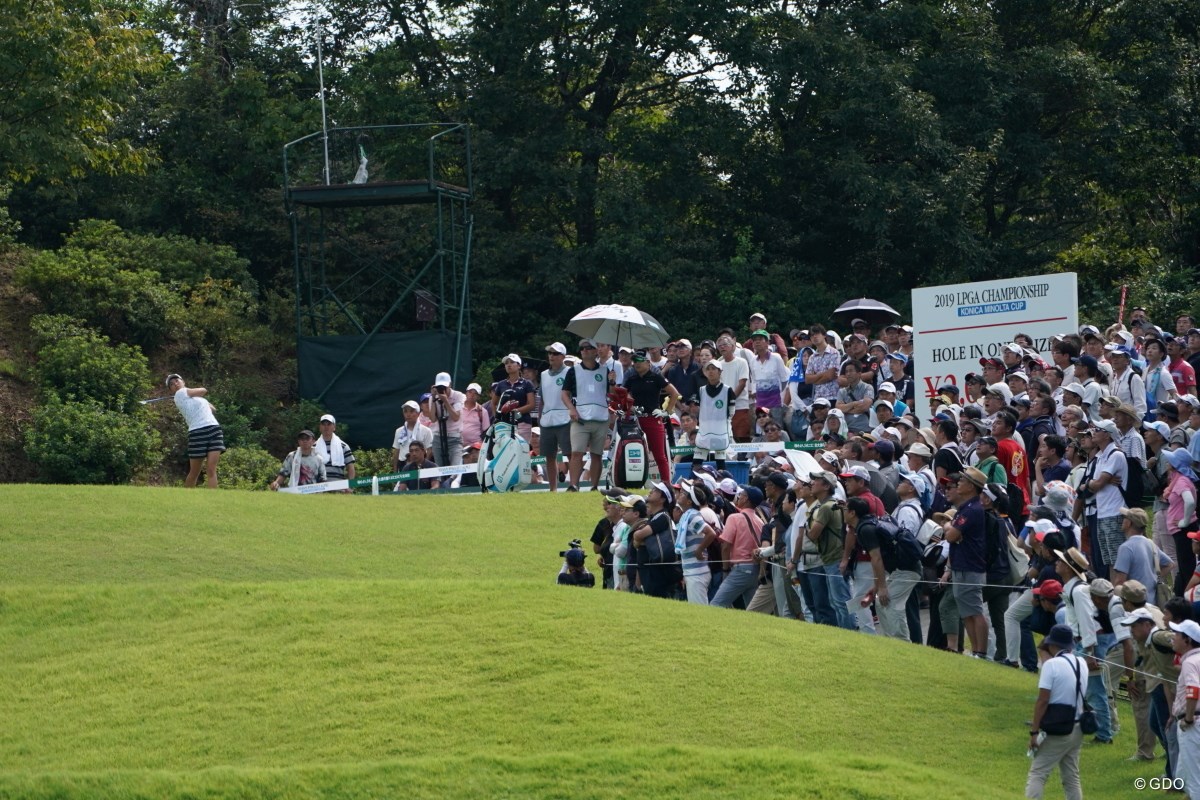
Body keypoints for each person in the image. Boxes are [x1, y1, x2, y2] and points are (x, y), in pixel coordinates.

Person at [844, 496, 921, 641]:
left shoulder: (865, 529)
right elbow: (882, 558)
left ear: (852, 513)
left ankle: (902, 643)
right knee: (881, 602)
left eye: (845, 509)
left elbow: (877, 558)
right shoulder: (866, 526)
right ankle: (889, 641)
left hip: (907, 569)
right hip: (899, 569)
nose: (843, 512)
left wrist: (882, 587)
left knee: (890, 602)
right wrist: (877, 586)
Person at [1025, 624, 1087, 800]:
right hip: (1078, 726)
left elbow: (1043, 700)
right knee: (1072, 777)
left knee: (1038, 773)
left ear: (1052, 644)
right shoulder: (1081, 663)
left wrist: (1034, 732)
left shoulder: (1051, 665)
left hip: (1058, 727)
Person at [942, 467, 992, 658]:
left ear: (971, 487)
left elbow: (951, 536)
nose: (958, 484)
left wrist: (948, 526)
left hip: (970, 566)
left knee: (975, 611)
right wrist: (951, 528)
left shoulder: (972, 509)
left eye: (962, 481)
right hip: (961, 565)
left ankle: (981, 651)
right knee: (966, 612)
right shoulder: (966, 508)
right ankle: (976, 650)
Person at [623, 349, 681, 482]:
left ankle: (666, 484)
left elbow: (674, 393)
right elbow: (623, 394)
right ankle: (638, 482)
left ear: (648, 363)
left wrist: (666, 411)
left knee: (659, 455)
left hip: (653, 419)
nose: (636, 364)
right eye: (634, 361)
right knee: (638, 454)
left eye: (639, 361)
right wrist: (629, 405)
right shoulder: (632, 378)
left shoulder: (656, 377)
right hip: (636, 420)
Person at [562, 339, 611, 491]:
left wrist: (613, 382)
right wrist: (571, 409)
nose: (584, 350)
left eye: (588, 348)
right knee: (576, 453)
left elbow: (613, 394)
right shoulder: (573, 371)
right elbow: (564, 394)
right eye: (582, 348)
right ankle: (573, 485)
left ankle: (594, 486)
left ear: (596, 351)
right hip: (580, 417)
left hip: (601, 417)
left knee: (597, 454)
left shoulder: (606, 370)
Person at [711, 484, 767, 609]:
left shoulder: (734, 518)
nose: (738, 497)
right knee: (752, 610)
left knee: (716, 605)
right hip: (755, 569)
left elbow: (725, 546)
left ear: (746, 499)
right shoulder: (760, 521)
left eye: (741, 495)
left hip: (740, 568)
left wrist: (725, 569)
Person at [165, 373, 225, 488]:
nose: (175, 384)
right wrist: (197, 397)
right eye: (171, 384)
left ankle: (214, 496)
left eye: (177, 381)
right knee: (194, 472)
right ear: (171, 390)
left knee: (211, 470)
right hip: (197, 432)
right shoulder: (180, 393)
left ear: (183, 381)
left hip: (213, 428)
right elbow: (203, 390)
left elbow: (213, 409)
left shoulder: (193, 397)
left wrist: (201, 401)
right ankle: (187, 496)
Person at [1168, 618, 1200, 799]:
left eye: (1177, 634)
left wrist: (1188, 718)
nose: (1173, 637)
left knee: (1195, 780)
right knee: (1185, 776)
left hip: (1193, 724)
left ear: (1187, 640)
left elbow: (1193, 690)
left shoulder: (1189, 662)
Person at [674, 479, 718, 604]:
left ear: (689, 501)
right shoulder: (687, 515)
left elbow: (711, 533)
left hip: (697, 573)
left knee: (699, 610)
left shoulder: (693, 516)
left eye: (683, 493)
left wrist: (699, 550)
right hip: (691, 571)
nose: (680, 494)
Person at [537, 343, 573, 492]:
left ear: (563, 356)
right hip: (547, 420)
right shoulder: (543, 374)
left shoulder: (570, 372)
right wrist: (540, 418)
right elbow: (542, 399)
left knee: (570, 454)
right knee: (549, 457)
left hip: (565, 418)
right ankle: (553, 489)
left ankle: (574, 484)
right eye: (550, 353)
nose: (551, 356)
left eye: (555, 353)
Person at [491, 353, 536, 441]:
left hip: (523, 422)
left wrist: (515, 411)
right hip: (504, 424)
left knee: (522, 448)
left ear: (519, 366)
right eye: (506, 363)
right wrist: (497, 418)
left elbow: (531, 405)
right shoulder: (501, 384)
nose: (509, 365)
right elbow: (493, 403)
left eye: (512, 362)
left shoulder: (527, 383)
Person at [428, 372, 465, 467]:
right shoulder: (433, 398)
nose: (442, 389)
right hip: (438, 437)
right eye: (439, 387)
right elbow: (433, 419)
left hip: (455, 438)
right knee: (439, 470)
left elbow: (456, 417)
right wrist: (433, 398)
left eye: (444, 387)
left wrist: (446, 401)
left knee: (455, 469)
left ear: (450, 385)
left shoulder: (458, 396)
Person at [391, 400, 434, 471]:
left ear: (418, 413)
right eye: (405, 411)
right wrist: (395, 471)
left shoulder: (426, 431)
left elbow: (429, 451)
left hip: (420, 464)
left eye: (411, 411)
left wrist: (423, 465)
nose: (408, 414)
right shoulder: (399, 431)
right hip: (403, 464)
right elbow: (397, 451)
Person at [315, 414, 355, 487]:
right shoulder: (313, 447)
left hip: (339, 487)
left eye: (329, 424)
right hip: (319, 488)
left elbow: (351, 467)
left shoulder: (343, 446)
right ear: (320, 427)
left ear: (334, 427)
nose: (326, 427)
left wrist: (350, 486)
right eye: (323, 424)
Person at [461, 382, 490, 448]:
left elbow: (486, 432)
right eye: (470, 392)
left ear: (478, 397)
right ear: (466, 393)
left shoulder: (483, 411)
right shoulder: (458, 407)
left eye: (475, 393)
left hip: (474, 447)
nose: (472, 395)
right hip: (456, 445)